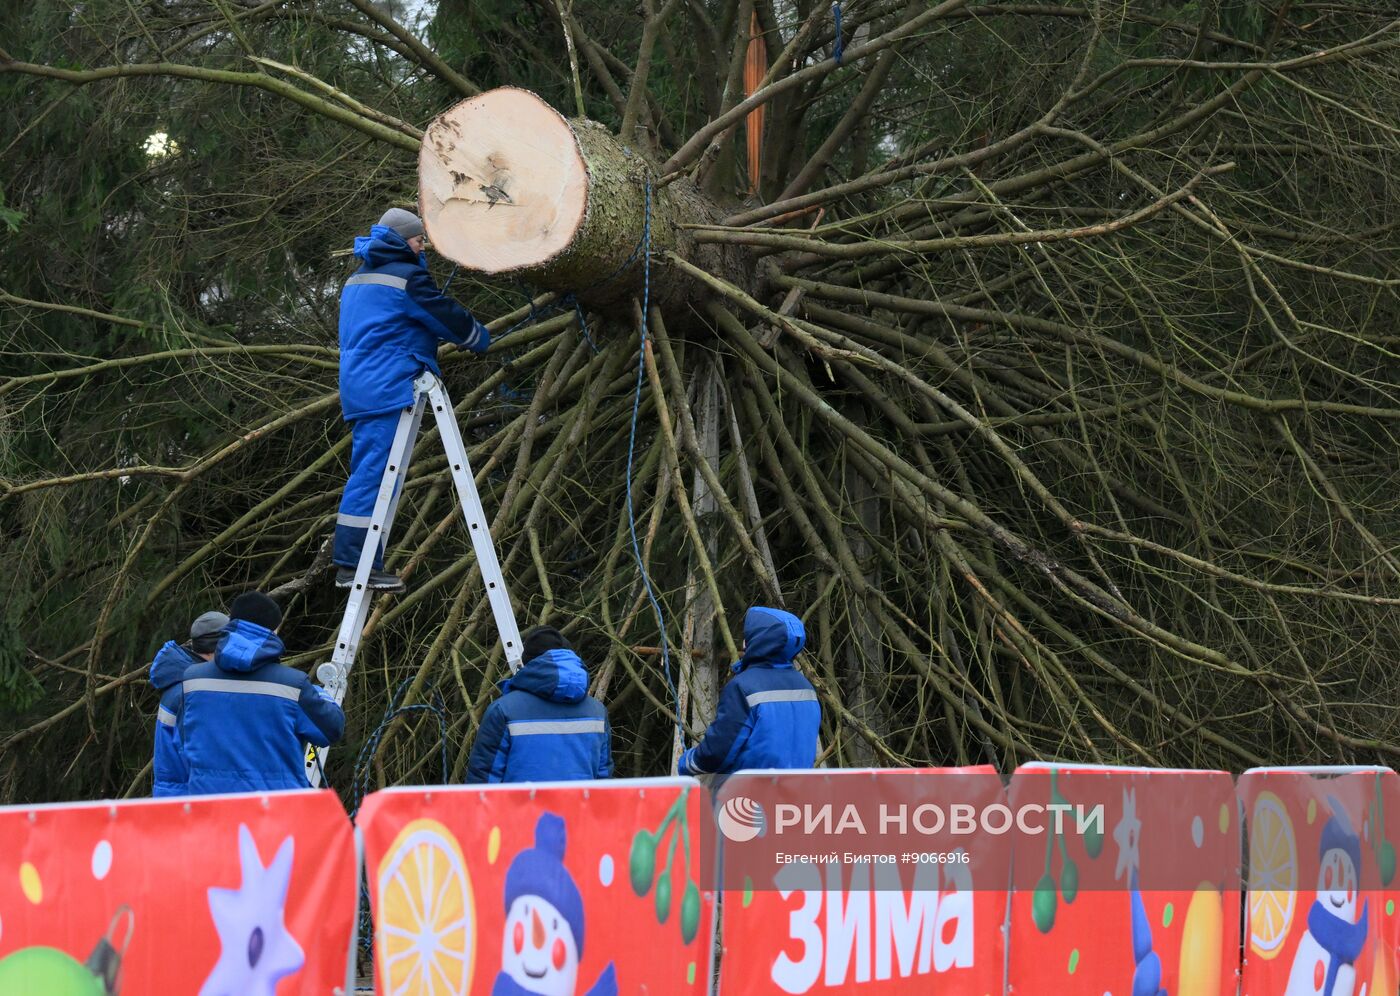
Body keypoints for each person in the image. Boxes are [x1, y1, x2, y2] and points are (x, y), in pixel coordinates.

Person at [334, 207, 492, 593]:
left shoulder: (358, 279)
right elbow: (443, 315)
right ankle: (354, 563)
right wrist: (478, 337)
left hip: (364, 386)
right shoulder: (406, 278)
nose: (423, 247)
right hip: (387, 386)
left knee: (371, 470)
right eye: (420, 240)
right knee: (373, 475)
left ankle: (361, 561)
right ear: (404, 241)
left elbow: (386, 328)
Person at [180, 591, 345, 794]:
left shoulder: (192, 681)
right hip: (275, 812)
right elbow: (331, 730)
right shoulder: (293, 685)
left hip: (212, 810)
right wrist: (322, 695)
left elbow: (182, 742)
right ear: (273, 631)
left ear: (231, 623)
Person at [678, 606, 821, 777]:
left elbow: (717, 753)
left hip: (750, 796)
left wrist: (687, 762)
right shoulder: (806, 686)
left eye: (748, 637)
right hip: (797, 796)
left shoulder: (743, 687)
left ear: (758, 640)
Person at [466, 626, 612, 784]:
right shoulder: (598, 712)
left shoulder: (503, 710)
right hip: (577, 808)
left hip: (521, 808)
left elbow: (482, 783)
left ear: (528, 664)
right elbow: (603, 781)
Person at [148, 609, 229, 797]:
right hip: (190, 801)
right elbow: (203, 761)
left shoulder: (179, 684)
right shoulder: (195, 693)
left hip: (173, 796)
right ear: (217, 649)